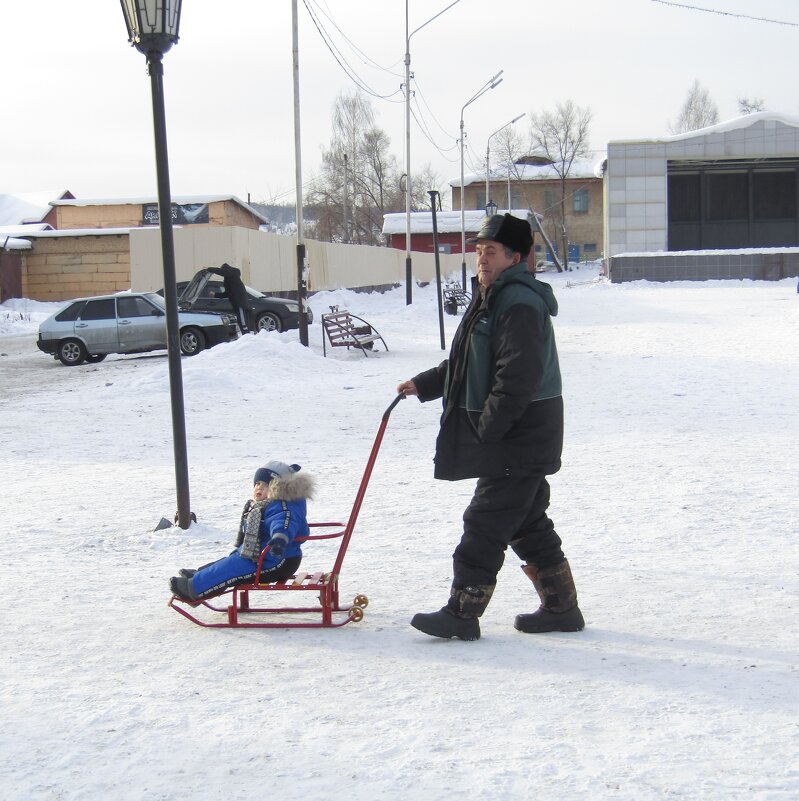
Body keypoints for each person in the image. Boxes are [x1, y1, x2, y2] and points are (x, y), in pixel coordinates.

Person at [397, 213, 584, 641]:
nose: (481, 258)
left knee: (484, 520)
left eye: (491, 252)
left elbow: (517, 377)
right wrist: (425, 384)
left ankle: (462, 614)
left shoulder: (517, 302)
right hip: (515, 434)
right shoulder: (490, 296)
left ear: (514, 257)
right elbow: (468, 361)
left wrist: (489, 429)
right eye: (479, 251)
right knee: (526, 520)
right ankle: (562, 608)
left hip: (519, 434)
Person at [169, 461, 314, 602]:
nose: (259, 488)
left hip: (277, 560)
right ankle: (199, 575)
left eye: (266, 485)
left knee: (231, 568)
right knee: (229, 561)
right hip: (262, 557)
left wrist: (279, 539)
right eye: (257, 484)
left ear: (279, 489)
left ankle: (193, 588)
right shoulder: (264, 505)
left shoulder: (282, 507)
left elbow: (283, 524)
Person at [207, 262, 252, 333]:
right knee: (241, 321)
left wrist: (209, 269)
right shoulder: (230, 280)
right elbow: (227, 294)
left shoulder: (232, 272)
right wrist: (215, 294)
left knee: (242, 321)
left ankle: (246, 334)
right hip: (237, 303)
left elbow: (223, 272)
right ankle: (245, 335)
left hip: (240, 303)